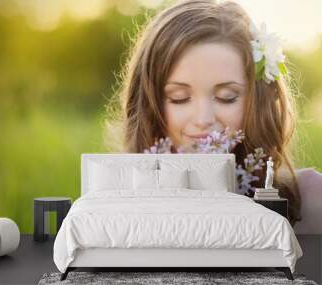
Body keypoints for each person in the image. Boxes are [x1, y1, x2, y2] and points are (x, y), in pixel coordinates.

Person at [105, 0, 301, 225]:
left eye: (226, 97)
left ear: (257, 101)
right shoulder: (115, 203)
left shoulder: (312, 200)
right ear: (150, 104)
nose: (203, 119)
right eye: (179, 98)